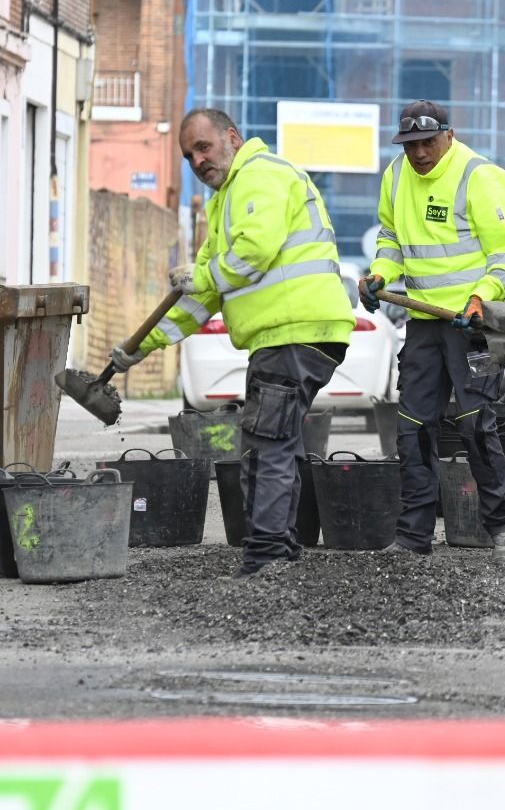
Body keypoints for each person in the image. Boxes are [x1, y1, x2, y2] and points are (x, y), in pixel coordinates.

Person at [113, 108, 353, 579]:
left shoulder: (259, 176)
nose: (198, 160)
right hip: (289, 333)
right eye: (188, 156)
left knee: (267, 444)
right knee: (276, 440)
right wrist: (145, 344)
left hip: (294, 330)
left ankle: (266, 555)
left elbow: (252, 254)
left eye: (203, 147)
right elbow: (204, 293)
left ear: (232, 137)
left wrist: (198, 274)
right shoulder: (225, 199)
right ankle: (278, 548)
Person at [357, 101, 505, 563]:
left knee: (475, 425)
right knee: (412, 426)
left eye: (427, 143)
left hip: (470, 325)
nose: (418, 154)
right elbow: (391, 239)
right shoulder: (395, 176)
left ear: (449, 136)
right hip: (425, 322)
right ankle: (413, 536)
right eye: (410, 145)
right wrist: (379, 274)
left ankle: (503, 531)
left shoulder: (480, 177)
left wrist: (481, 298)